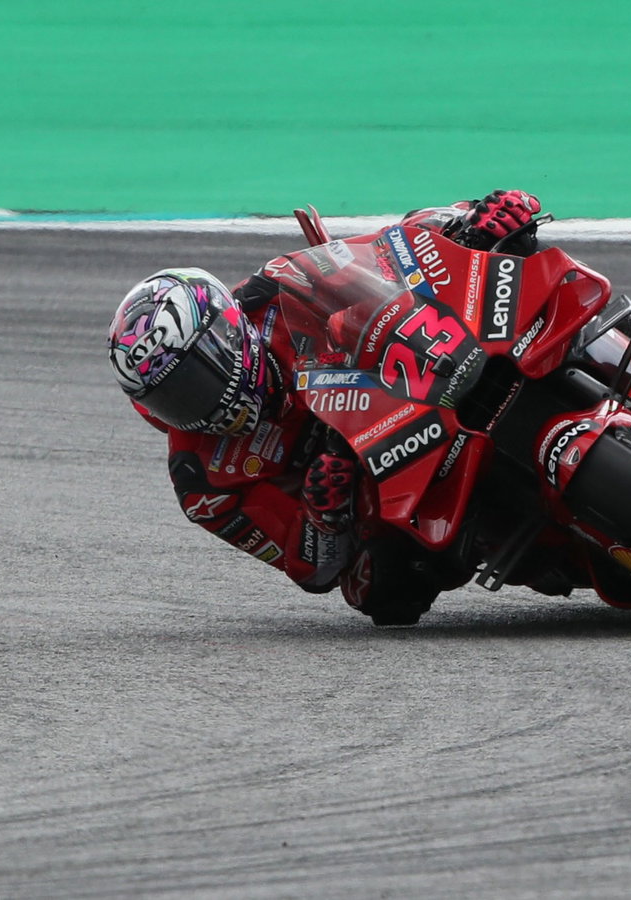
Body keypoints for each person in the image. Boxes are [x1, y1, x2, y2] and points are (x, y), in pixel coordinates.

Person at [107, 190, 549, 626]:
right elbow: (311, 571)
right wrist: (324, 517)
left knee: (513, 260)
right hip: (377, 483)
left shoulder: (273, 291)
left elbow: (391, 247)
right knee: (380, 592)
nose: (195, 405)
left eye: (195, 380)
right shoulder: (201, 482)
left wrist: (467, 226)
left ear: (227, 332)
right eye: (172, 399)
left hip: (417, 376)